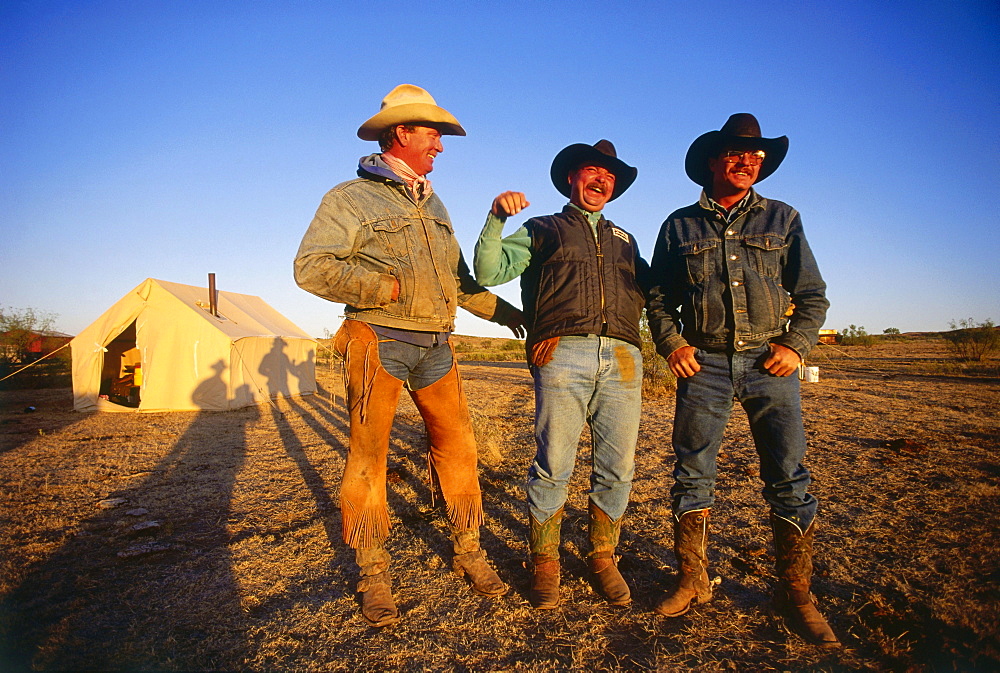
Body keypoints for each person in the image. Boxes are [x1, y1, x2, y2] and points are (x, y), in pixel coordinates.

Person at [294, 84, 525, 628]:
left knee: (459, 448)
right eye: (435, 133)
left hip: (437, 347)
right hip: (379, 342)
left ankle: (468, 548)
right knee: (369, 455)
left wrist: (508, 313)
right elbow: (310, 267)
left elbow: (460, 282)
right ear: (402, 133)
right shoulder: (348, 198)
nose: (441, 145)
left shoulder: (436, 205)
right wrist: (383, 289)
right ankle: (373, 569)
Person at [646, 114, 839, 646]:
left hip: (768, 365)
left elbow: (813, 294)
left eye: (755, 155)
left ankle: (795, 592)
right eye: (736, 152)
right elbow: (659, 297)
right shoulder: (679, 226)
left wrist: (795, 346)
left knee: (788, 475)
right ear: (713, 160)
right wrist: (673, 344)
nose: (747, 161)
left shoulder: (784, 218)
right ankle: (692, 579)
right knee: (692, 473)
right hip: (702, 365)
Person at [474, 140, 648, 609]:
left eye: (609, 176)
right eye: (592, 171)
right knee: (554, 464)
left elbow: (658, 291)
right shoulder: (543, 228)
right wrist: (496, 217)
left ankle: (602, 557)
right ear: (572, 177)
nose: (601, 180)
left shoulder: (625, 240)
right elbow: (488, 271)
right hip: (562, 355)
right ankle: (546, 563)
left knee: (618, 468)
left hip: (624, 359)